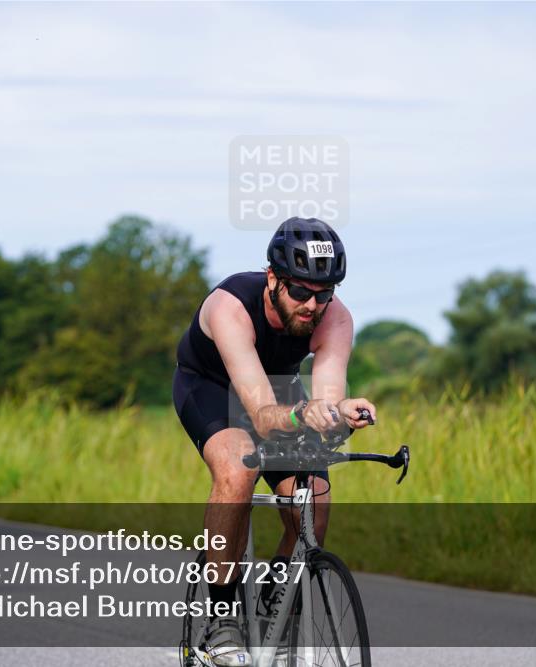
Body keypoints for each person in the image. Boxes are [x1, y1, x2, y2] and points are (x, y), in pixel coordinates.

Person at [173, 217, 376, 666]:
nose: (312, 305)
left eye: (324, 294)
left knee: (314, 498)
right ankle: (222, 618)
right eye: (300, 291)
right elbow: (263, 417)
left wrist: (339, 411)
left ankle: (275, 601)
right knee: (237, 469)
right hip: (211, 387)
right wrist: (301, 413)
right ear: (273, 279)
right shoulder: (230, 307)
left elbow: (325, 398)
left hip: (279, 389)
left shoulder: (335, 318)